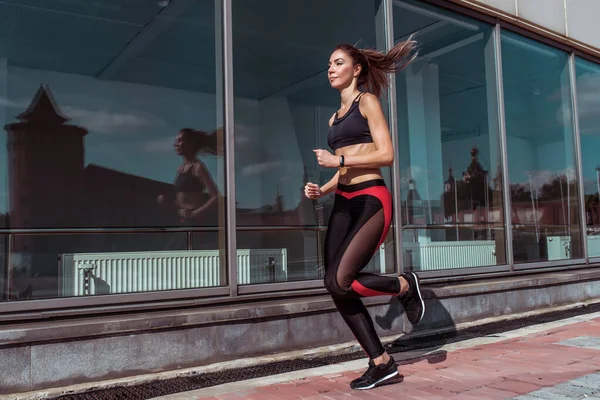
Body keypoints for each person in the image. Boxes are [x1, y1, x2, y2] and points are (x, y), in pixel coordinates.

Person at [304, 39, 425, 390]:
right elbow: (343, 169)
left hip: (371, 199)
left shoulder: (366, 102)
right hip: (342, 201)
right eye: (329, 63)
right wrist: (323, 189)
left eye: (338, 62)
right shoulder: (334, 117)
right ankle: (381, 362)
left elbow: (385, 153)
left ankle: (403, 285)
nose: (330, 68)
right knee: (334, 285)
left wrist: (338, 160)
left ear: (356, 69)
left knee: (342, 279)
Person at [158, 128, 220, 226]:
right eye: (176, 141)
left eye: (180, 140)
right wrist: (168, 202)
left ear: (190, 143)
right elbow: (182, 202)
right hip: (182, 220)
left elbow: (216, 197)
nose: (176, 144)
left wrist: (193, 213)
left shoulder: (197, 167)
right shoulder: (180, 169)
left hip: (195, 222)